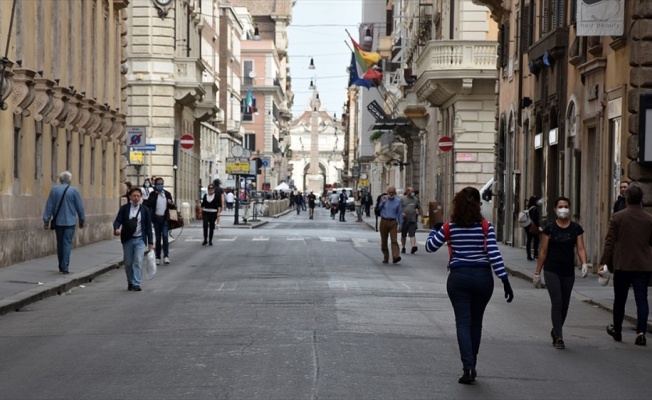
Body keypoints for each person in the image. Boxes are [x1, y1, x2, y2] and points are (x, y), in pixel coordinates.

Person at [425, 186, 513, 384]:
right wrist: (504, 279)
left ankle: (468, 367)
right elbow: (494, 254)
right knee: (476, 322)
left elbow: (430, 247)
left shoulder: (450, 226)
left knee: (463, 323)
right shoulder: (485, 227)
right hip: (483, 278)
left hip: (459, 278)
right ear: (477, 205)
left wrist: (434, 230)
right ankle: (473, 362)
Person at [533, 196, 589, 350]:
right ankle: (559, 336)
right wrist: (537, 272)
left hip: (568, 271)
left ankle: (555, 329)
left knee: (565, 305)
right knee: (557, 302)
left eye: (566, 206)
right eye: (560, 206)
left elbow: (580, 248)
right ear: (555, 209)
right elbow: (543, 251)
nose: (563, 209)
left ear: (569, 209)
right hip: (551, 269)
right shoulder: (549, 228)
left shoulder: (576, 228)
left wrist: (584, 263)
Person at [600, 184, 652, 346]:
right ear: (641, 199)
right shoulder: (649, 219)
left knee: (620, 299)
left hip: (623, 264)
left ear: (627, 199)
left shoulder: (618, 217)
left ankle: (617, 330)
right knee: (642, 299)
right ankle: (641, 333)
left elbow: (609, 242)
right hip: (643, 264)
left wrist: (604, 262)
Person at [42, 171, 86, 274]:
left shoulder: (54, 190)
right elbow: (79, 207)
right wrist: (81, 220)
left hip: (58, 222)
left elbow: (49, 205)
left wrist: (46, 220)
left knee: (60, 243)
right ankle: (65, 266)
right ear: (69, 180)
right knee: (67, 243)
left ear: (60, 180)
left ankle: (61, 264)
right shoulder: (74, 191)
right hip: (70, 222)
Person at [113, 187, 153, 291]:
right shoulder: (124, 208)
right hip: (128, 239)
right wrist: (116, 228)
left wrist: (150, 242)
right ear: (130, 196)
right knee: (128, 263)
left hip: (140, 239)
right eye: (134, 196)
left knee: (138, 261)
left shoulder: (145, 210)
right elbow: (118, 220)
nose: (136, 198)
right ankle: (130, 281)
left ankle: (136, 283)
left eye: (138, 196)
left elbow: (148, 227)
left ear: (141, 197)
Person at [145, 177, 176, 265]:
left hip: (165, 219)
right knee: (158, 238)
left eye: (161, 184)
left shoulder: (167, 194)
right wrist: (155, 194)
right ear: (155, 185)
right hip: (156, 219)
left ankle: (166, 256)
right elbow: (149, 204)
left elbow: (173, 207)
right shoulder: (152, 194)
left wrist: (171, 203)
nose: (160, 186)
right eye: (158, 184)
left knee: (165, 237)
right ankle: (158, 256)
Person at [376, 186, 403, 264]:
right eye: (389, 192)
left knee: (394, 240)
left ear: (395, 193)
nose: (391, 194)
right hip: (384, 221)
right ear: (387, 192)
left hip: (393, 222)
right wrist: (382, 203)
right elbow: (378, 209)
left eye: (392, 193)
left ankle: (396, 256)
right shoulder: (383, 199)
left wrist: (400, 224)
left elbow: (399, 213)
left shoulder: (398, 201)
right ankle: (386, 256)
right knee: (384, 241)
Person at [400, 186, 422, 254]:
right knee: (403, 235)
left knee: (412, 234)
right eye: (411, 192)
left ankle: (413, 247)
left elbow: (419, 208)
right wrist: (401, 213)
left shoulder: (415, 199)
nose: (413, 193)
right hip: (404, 220)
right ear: (407, 192)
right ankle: (403, 247)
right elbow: (398, 209)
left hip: (412, 219)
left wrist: (422, 216)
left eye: (413, 192)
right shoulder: (402, 199)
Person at [524, 196, 541, 261]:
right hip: (533, 226)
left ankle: (528, 255)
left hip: (527, 226)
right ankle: (535, 254)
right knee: (536, 240)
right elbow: (535, 219)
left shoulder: (529, 208)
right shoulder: (534, 208)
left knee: (529, 240)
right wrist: (538, 226)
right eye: (537, 200)